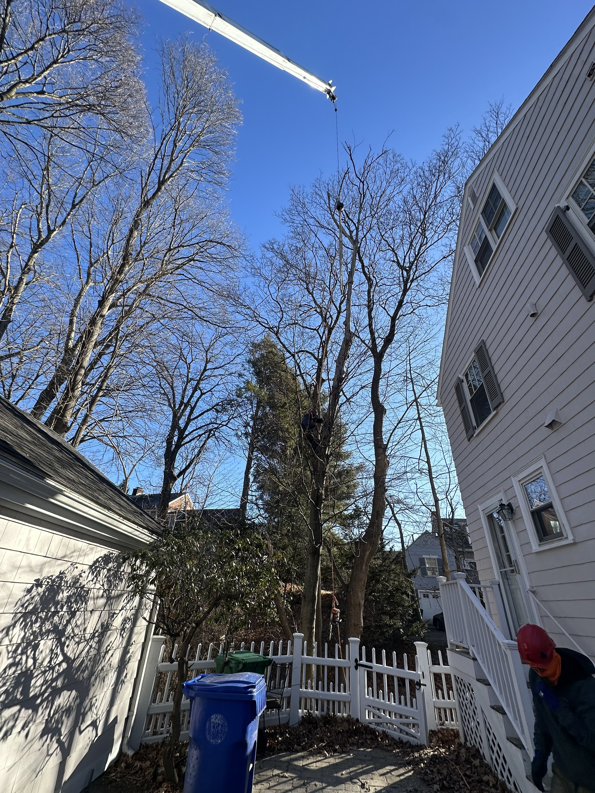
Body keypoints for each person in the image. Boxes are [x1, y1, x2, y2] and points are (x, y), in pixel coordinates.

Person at [517, 623, 595, 792]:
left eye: (543, 668)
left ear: (553, 651)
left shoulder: (584, 686)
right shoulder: (537, 678)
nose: (542, 673)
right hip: (562, 773)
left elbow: (592, 739)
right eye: (536, 669)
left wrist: (561, 711)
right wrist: (540, 757)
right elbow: (542, 723)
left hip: (590, 780)